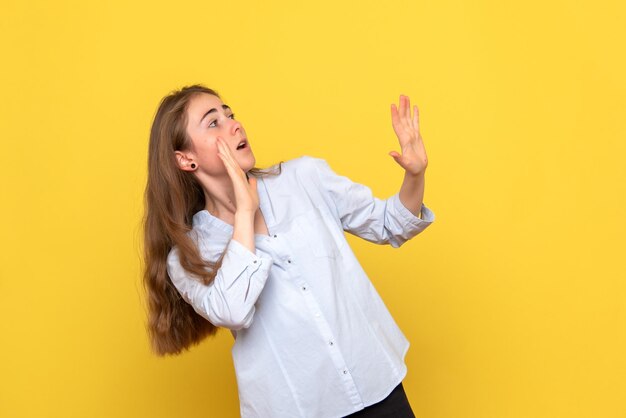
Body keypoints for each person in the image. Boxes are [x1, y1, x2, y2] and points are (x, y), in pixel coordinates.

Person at [142, 84, 435, 418]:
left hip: (377, 387)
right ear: (186, 159)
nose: (234, 125)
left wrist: (415, 174)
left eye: (230, 114)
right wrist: (244, 213)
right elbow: (232, 310)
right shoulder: (188, 254)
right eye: (213, 122)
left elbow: (389, 224)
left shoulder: (304, 178)